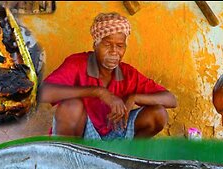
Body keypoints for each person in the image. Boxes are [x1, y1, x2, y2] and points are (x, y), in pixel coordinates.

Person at [39, 12, 177, 140]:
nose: (114, 51)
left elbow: (171, 100)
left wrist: (134, 98)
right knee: (71, 107)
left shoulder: (127, 73)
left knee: (158, 113)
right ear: (95, 45)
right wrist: (98, 92)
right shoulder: (77, 63)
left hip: (116, 132)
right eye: (107, 44)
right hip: (83, 137)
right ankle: (67, 161)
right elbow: (43, 93)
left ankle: (124, 158)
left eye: (120, 46)